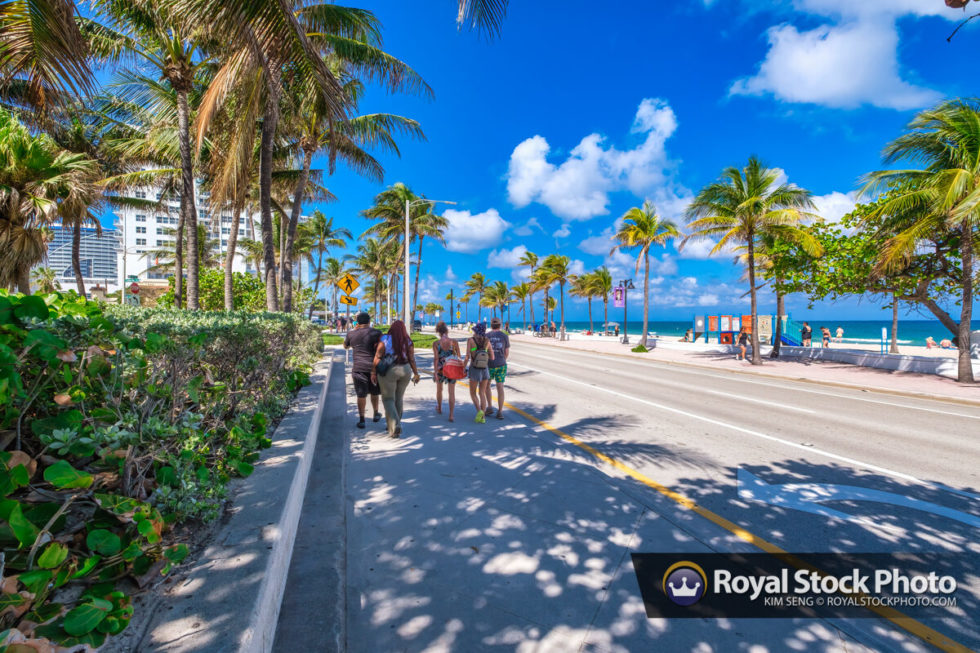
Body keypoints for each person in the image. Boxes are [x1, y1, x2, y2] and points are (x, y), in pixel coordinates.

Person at [371, 320, 420, 438]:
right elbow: (411, 359)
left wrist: (373, 372)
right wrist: (416, 373)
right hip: (406, 370)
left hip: (390, 370)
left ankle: (395, 425)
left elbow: (378, 356)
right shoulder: (408, 341)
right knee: (399, 398)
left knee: (388, 399)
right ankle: (393, 425)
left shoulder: (385, 339)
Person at [343, 312, 382, 429]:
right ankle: (376, 413)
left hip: (358, 368)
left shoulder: (351, 334)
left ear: (357, 322)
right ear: (369, 321)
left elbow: (345, 346)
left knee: (361, 395)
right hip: (374, 368)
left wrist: (354, 331)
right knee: (375, 392)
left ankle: (362, 420)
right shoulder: (376, 333)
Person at [464, 323, 494, 423]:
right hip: (485, 368)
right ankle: (483, 418)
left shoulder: (471, 340)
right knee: (482, 392)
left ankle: (480, 411)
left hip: (474, 368)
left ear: (476, 331)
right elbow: (492, 356)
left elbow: (467, 356)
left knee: (472, 393)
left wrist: (463, 367)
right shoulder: (487, 340)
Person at [432, 321, 460, 422]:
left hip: (440, 369)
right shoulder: (454, 342)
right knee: (451, 392)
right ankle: (451, 415)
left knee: (439, 390)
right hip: (452, 368)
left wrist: (435, 372)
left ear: (438, 332)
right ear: (447, 330)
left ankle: (439, 408)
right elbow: (458, 357)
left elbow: (436, 359)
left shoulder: (436, 343)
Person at [485, 317, 510, 420]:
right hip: (501, 365)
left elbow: (482, 350)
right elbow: (506, 352)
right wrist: (502, 359)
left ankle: (490, 406)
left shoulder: (487, 336)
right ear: (500, 325)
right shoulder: (504, 336)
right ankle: (500, 412)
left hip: (489, 364)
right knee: (500, 387)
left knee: (487, 386)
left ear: (491, 325)